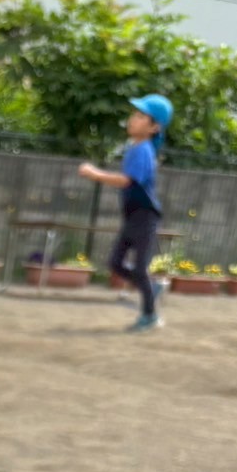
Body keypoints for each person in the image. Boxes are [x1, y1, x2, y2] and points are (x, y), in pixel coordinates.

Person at [79, 93, 173, 334]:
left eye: (141, 116)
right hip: (132, 216)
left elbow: (126, 180)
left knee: (139, 269)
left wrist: (95, 174)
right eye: (135, 114)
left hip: (145, 216)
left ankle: (150, 316)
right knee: (115, 263)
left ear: (154, 127)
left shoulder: (144, 151)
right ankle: (152, 288)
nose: (133, 119)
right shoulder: (135, 147)